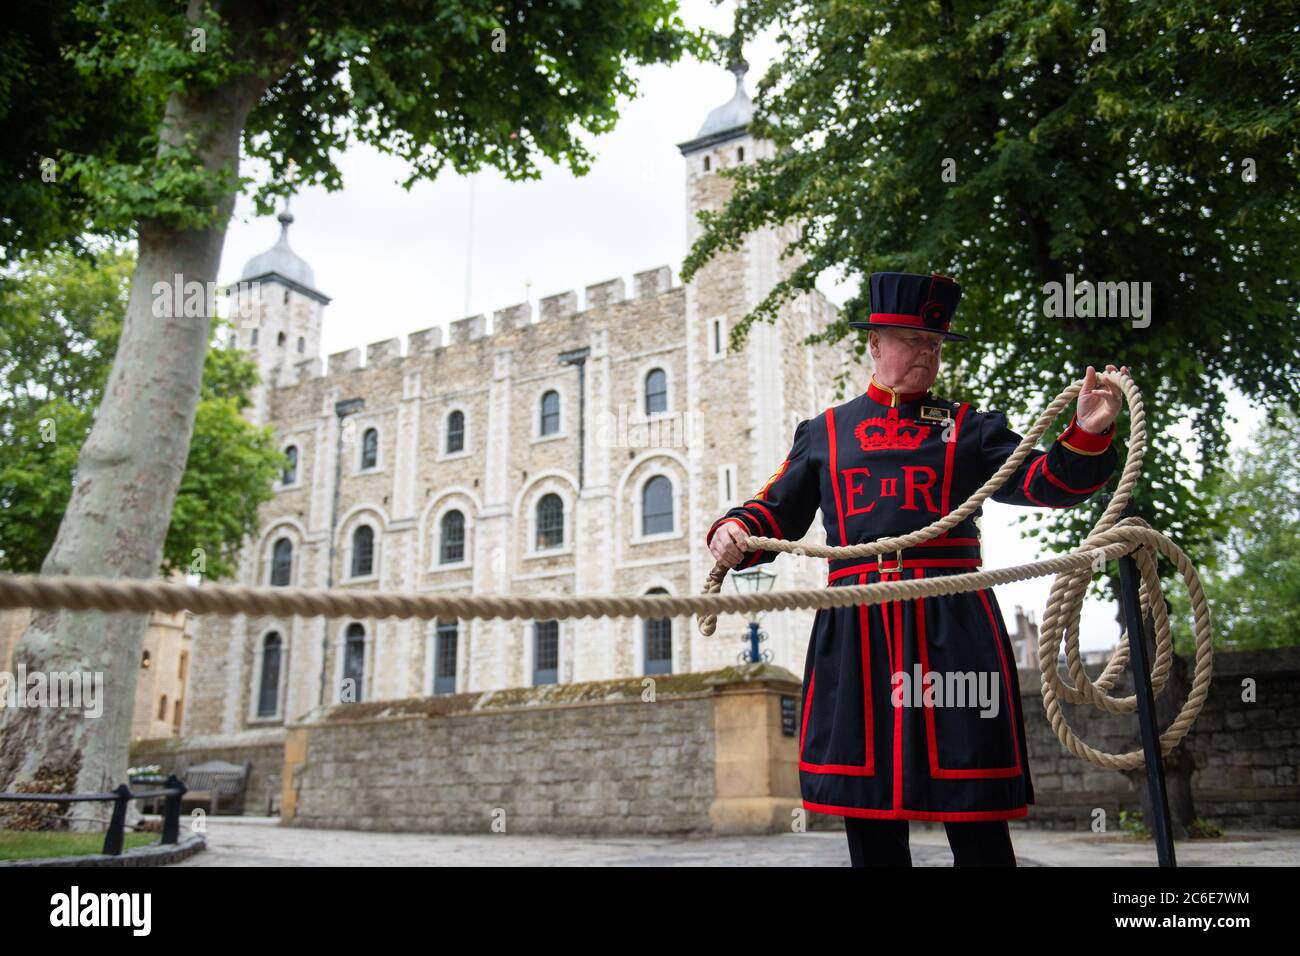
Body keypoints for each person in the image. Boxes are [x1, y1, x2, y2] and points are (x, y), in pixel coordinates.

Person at [706, 272, 1127, 866]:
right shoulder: (824, 433)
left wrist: (1089, 429)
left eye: (935, 343)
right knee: (871, 821)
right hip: (856, 633)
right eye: (912, 340)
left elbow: (1046, 482)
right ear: (876, 345)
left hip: (952, 629)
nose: (927, 353)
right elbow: (772, 514)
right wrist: (732, 531)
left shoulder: (972, 427)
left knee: (976, 818)